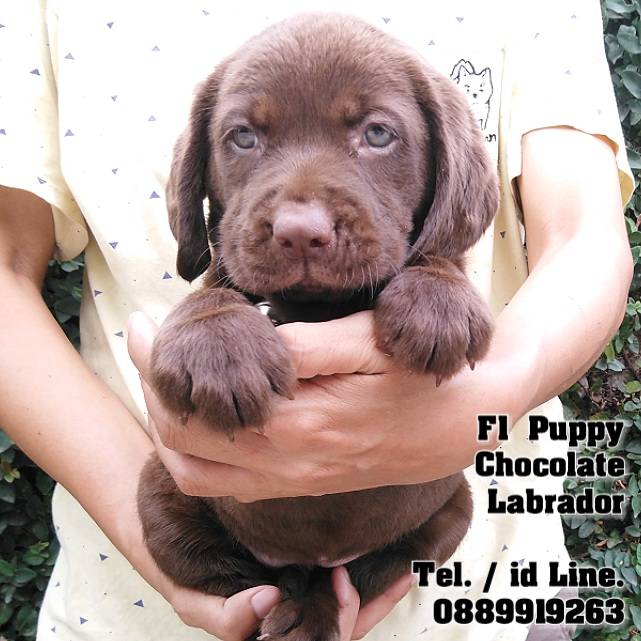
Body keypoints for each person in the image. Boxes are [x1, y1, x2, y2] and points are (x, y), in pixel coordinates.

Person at [0, 1, 633, 640]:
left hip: (479, 595)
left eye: (377, 135)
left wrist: (498, 385)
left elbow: (583, 236)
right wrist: (153, 534)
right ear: (200, 176)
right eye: (244, 138)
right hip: (143, 600)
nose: (300, 219)